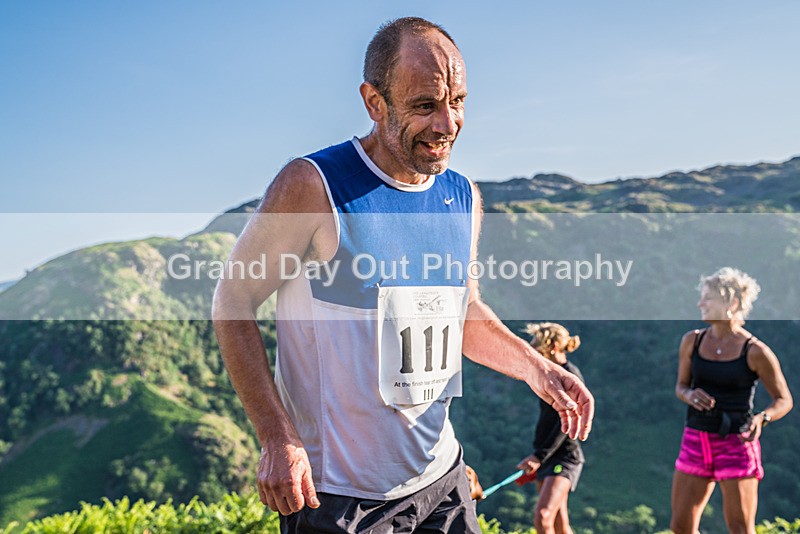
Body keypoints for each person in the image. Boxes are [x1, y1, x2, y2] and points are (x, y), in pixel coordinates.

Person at [212, 17, 593, 533]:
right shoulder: (312, 186)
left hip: (443, 482)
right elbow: (232, 303)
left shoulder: (463, 198)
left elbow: (464, 311)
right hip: (340, 499)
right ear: (374, 102)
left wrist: (536, 369)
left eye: (458, 101)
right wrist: (277, 437)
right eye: (424, 106)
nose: (447, 124)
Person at [670, 267, 793, 534]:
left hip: (736, 444)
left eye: (708, 298)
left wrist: (763, 418)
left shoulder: (756, 351)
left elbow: (784, 399)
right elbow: (680, 386)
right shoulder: (691, 341)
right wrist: (689, 395)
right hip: (695, 439)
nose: (700, 304)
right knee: (680, 527)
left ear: (732, 303)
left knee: (740, 529)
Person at [516, 323, 585, 534]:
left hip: (563, 458)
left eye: (539, 350)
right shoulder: (550, 376)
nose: (536, 356)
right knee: (559, 524)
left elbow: (566, 424)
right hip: (548, 458)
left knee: (543, 516)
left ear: (553, 347)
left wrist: (539, 456)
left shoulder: (570, 377)